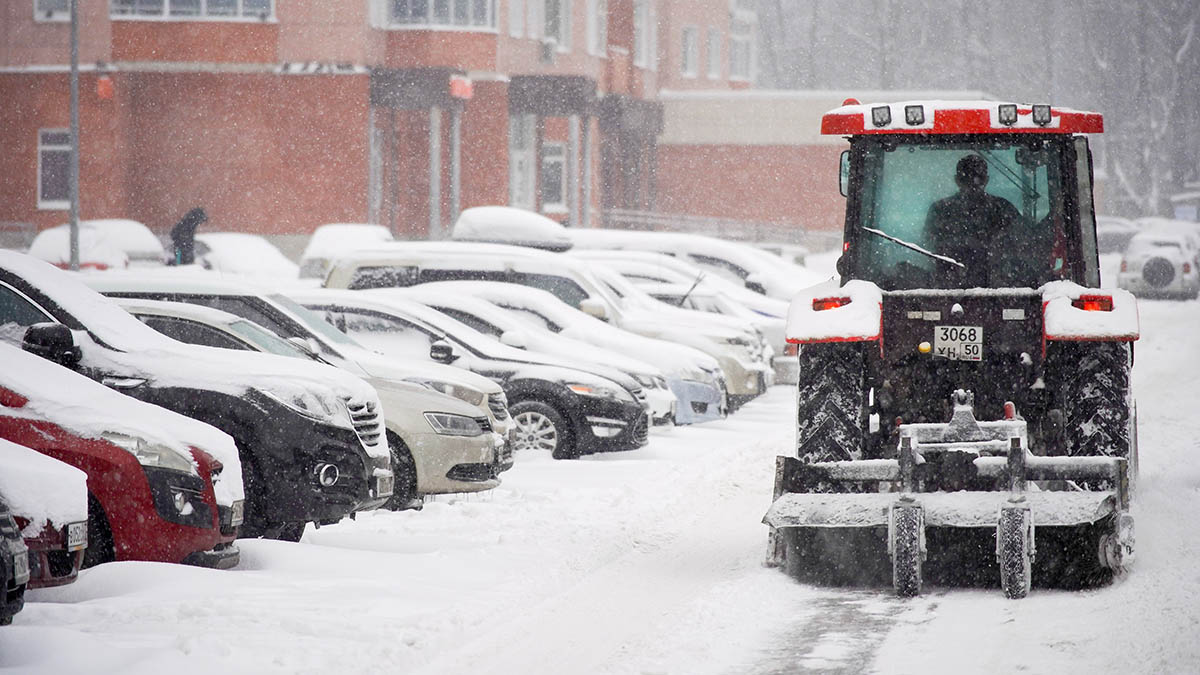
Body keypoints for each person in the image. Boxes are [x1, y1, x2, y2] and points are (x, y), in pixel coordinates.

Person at [925, 154, 1022, 287]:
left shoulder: (940, 209)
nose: (972, 183)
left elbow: (929, 246)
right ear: (987, 180)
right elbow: (1024, 246)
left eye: (977, 178)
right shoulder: (1003, 209)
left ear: (956, 180)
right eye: (967, 179)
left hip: (951, 289)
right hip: (997, 290)